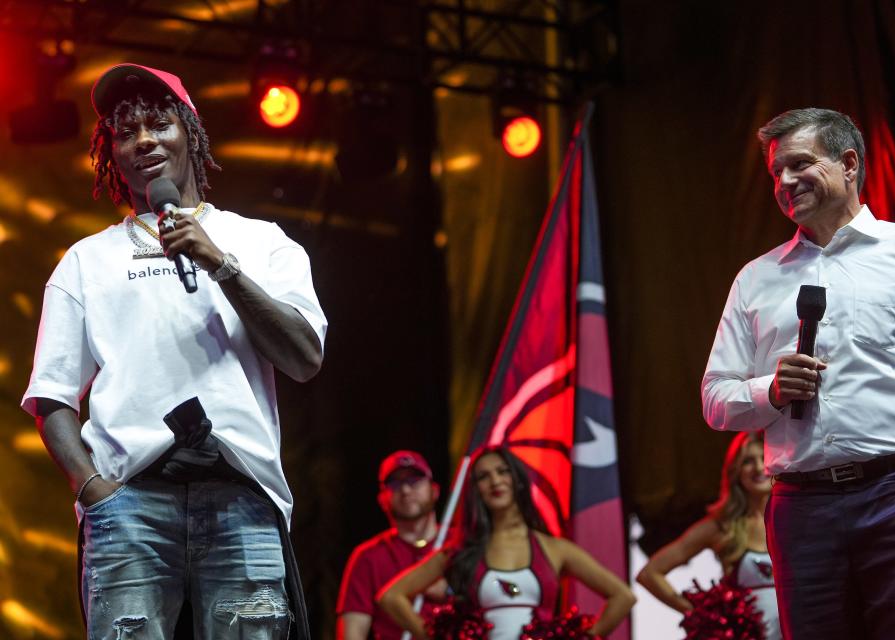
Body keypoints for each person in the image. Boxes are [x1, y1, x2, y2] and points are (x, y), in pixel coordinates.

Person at [21, 63, 327, 639]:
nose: (143, 141)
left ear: (189, 130)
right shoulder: (86, 261)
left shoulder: (262, 243)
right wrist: (94, 491)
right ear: (112, 153)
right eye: (125, 132)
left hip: (243, 494)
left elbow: (305, 358)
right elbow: (52, 398)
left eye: (158, 124)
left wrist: (222, 265)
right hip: (130, 505)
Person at [701, 107, 895, 639]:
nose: (785, 182)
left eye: (799, 164)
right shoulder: (756, 278)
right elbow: (714, 398)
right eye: (776, 173)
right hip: (801, 509)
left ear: (848, 164)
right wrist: (769, 391)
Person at [377, 446, 635, 640]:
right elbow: (391, 597)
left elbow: (622, 596)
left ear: (517, 480)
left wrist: (584, 638)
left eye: (503, 472)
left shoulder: (555, 549)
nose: (495, 481)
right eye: (483, 477)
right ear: (475, 489)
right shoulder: (461, 551)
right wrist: (436, 637)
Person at [637, 432, 779, 639]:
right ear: (735, 471)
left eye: (763, 458)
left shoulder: (794, 520)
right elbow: (649, 574)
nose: (758, 468)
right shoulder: (722, 526)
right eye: (748, 461)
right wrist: (702, 613)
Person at [337, 450, 448, 640]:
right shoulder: (368, 557)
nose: (405, 490)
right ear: (381, 499)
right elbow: (351, 633)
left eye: (414, 480)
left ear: (435, 490)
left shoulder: (459, 543)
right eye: (395, 484)